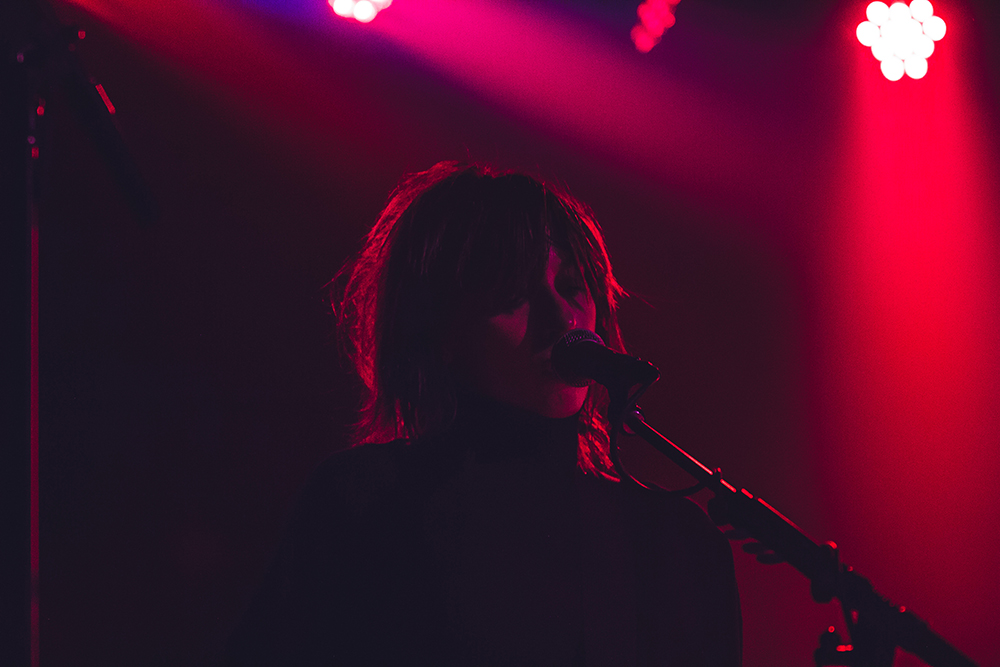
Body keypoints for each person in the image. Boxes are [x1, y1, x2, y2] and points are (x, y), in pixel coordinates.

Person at [222, 162, 742, 665]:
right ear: (440, 329)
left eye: (571, 286)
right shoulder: (362, 504)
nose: (561, 317)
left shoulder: (672, 543)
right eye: (514, 294)